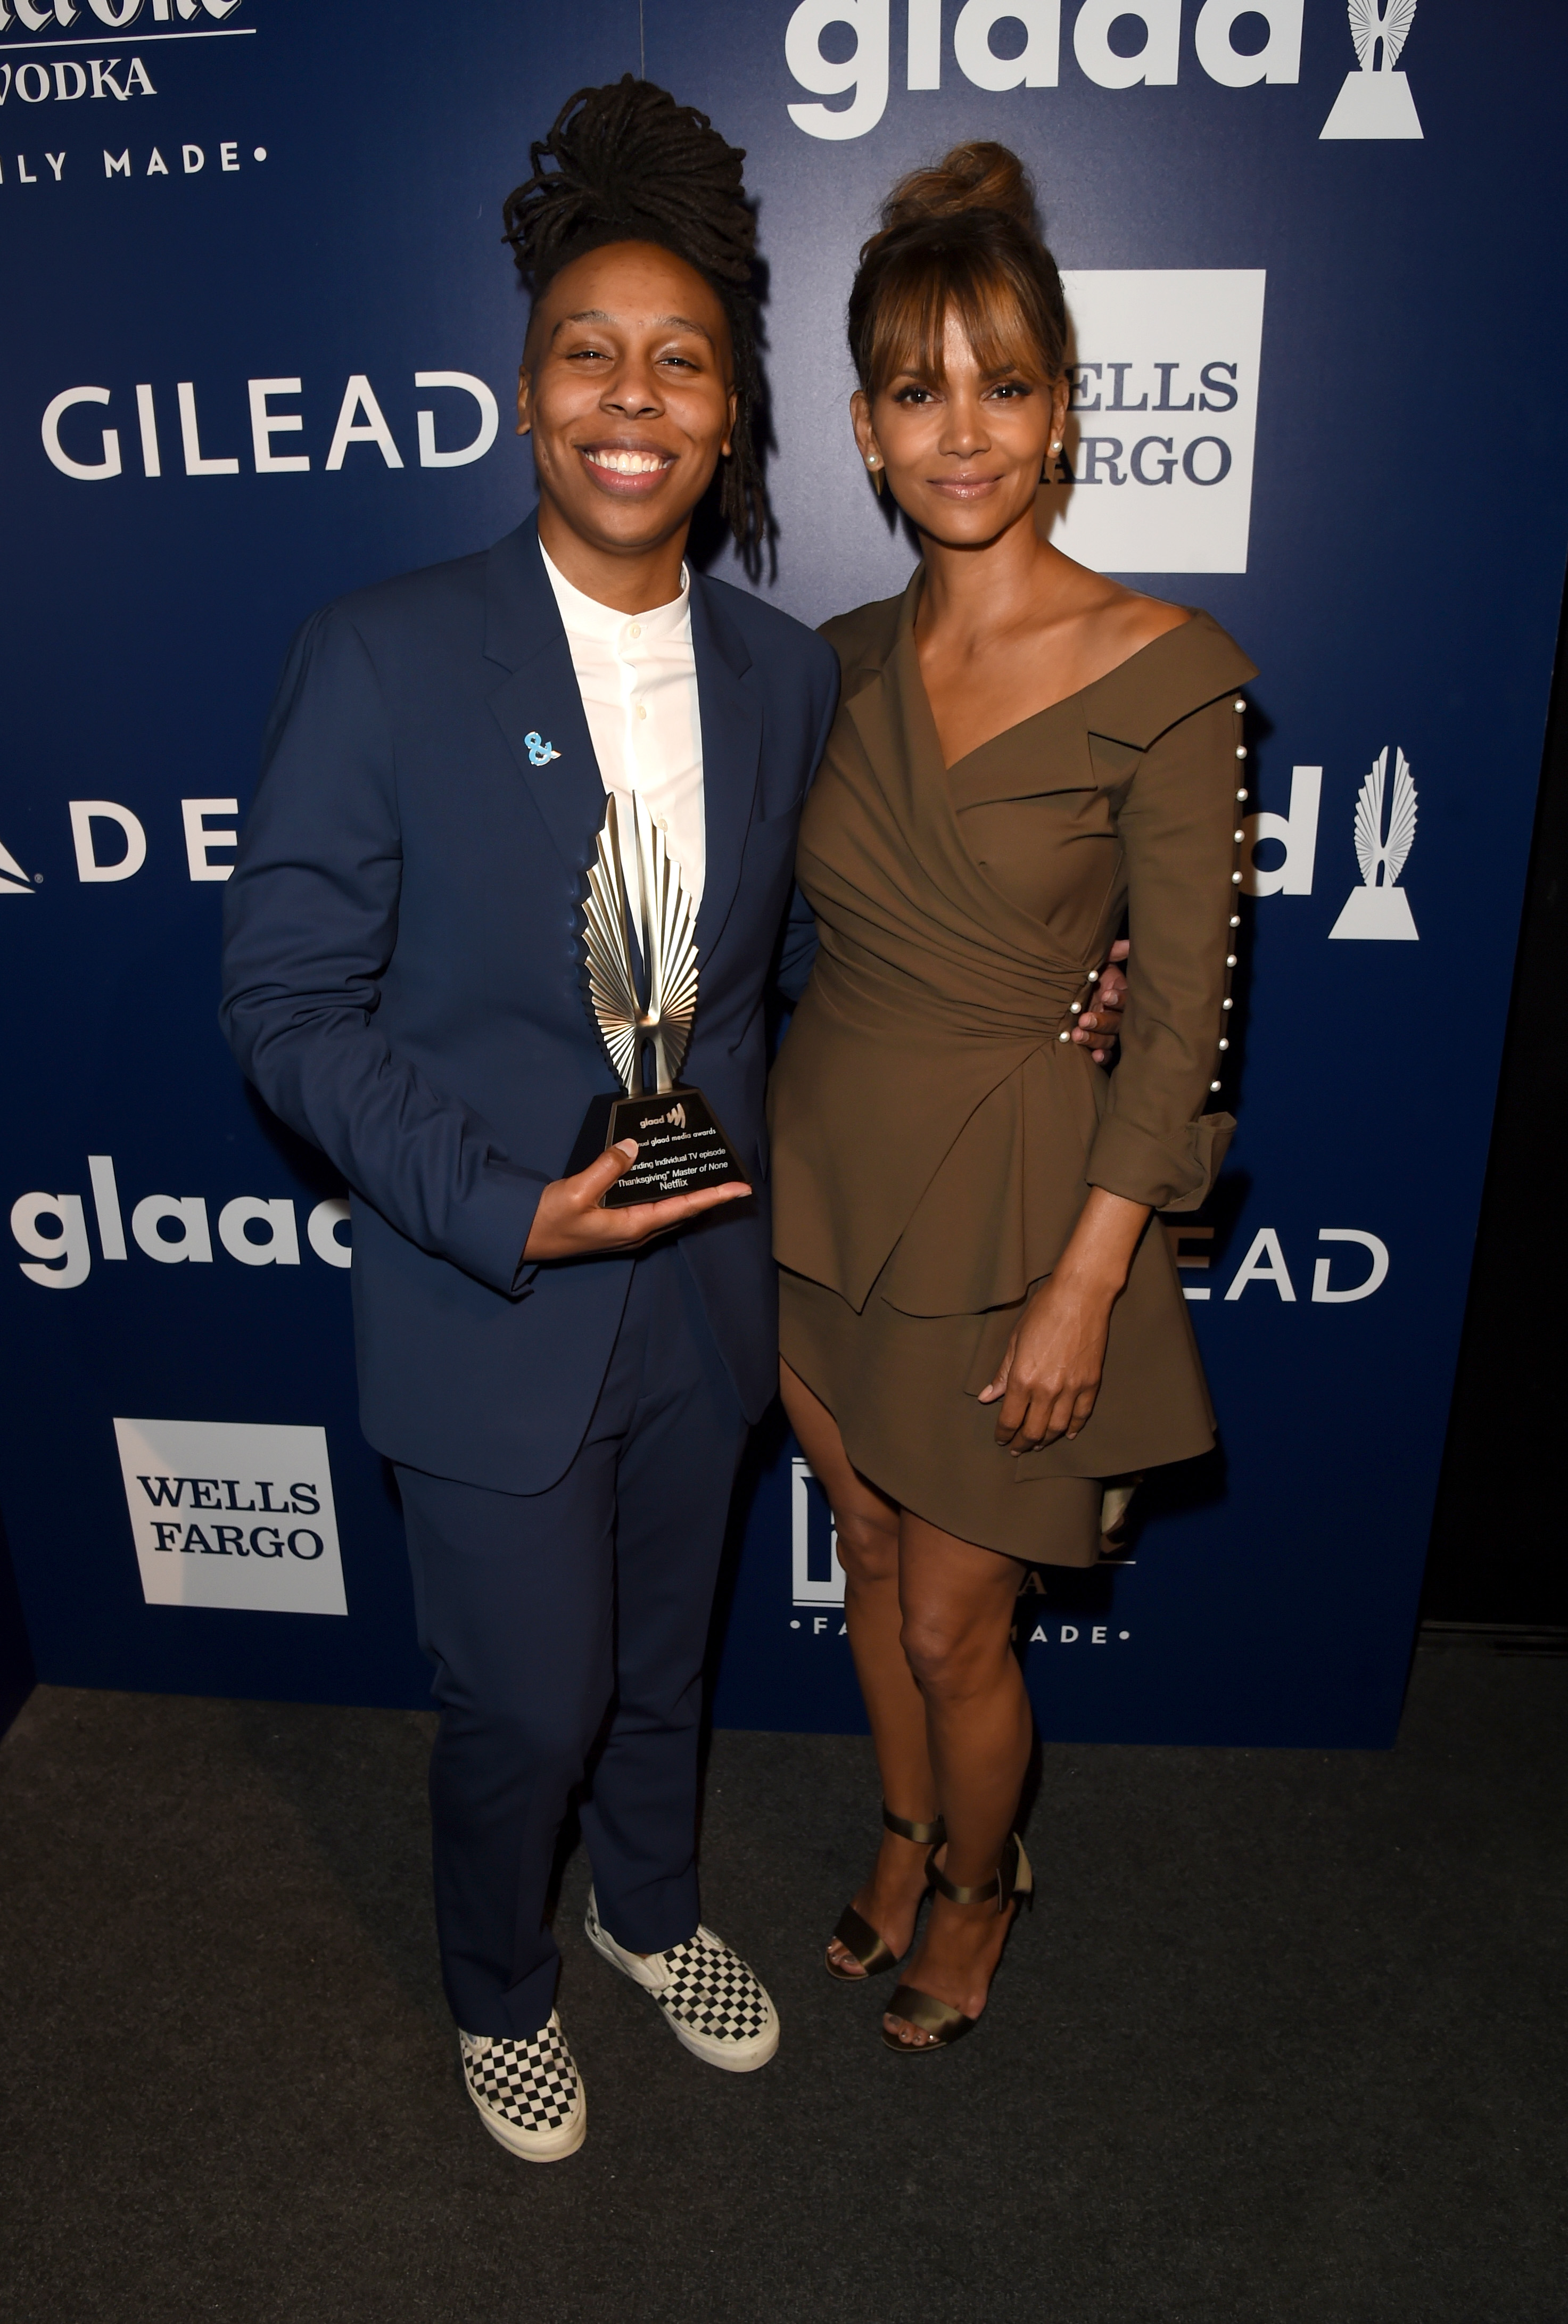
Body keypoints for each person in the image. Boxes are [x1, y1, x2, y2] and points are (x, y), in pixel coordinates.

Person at [219, 79, 845, 2162]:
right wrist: (509, 1209)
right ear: (521, 394)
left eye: (680, 356)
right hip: (490, 1295)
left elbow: (785, 974)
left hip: (707, 1289)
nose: (631, 390)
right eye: (589, 347)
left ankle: (648, 1914)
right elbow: (287, 1011)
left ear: (731, 415)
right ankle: (502, 1979)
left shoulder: (784, 677)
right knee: (527, 1705)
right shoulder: (380, 658)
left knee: (666, 1668)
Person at [769, 144, 1257, 2053]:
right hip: (818, 1191)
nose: (960, 430)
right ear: (868, 432)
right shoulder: (823, 671)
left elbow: (1186, 1022)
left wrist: (1086, 1281)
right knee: (871, 1564)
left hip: (1014, 1232)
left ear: (1061, 412)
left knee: (958, 1618)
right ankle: (903, 1829)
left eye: (1001, 383)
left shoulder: (1169, 676)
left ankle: (981, 1883)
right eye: (914, 389)